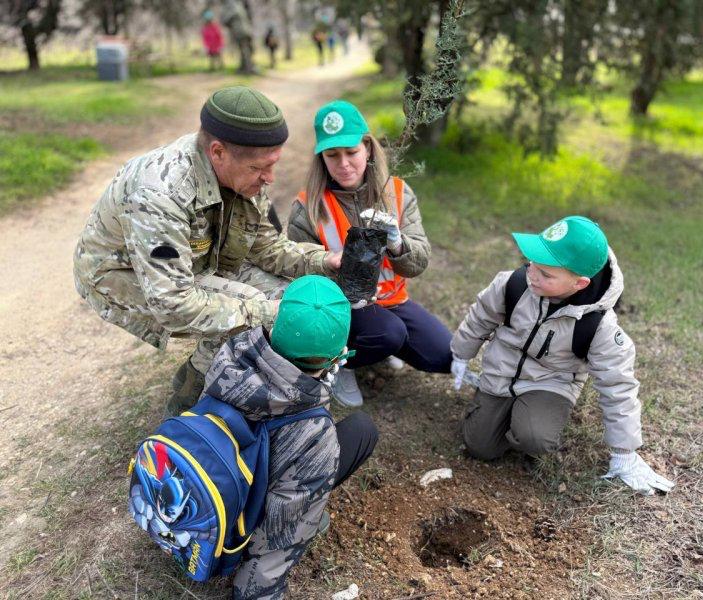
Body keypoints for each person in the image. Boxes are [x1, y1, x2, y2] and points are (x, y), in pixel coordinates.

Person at [74, 86, 341, 413]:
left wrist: (324, 260)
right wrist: (265, 313)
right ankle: (186, 413)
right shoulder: (160, 194)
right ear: (218, 152)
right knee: (251, 309)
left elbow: (266, 247)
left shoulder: (241, 171)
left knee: (288, 296)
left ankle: (221, 381)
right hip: (121, 274)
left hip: (198, 263)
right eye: (259, 168)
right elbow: (172, 302)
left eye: (273, 165)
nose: (269, 178)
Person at [450, 216, 675, 496]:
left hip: (551, 381)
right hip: (501, 371)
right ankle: (500, 414)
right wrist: (461, 353)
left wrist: (624, 452)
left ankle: (532, 417)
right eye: (532, 263)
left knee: (534, 438)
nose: (532, 274)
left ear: (579, 283)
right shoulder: (513, 284)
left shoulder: (599, 326)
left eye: (546, 274)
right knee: (479, 446)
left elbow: (618, 386)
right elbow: (480, 317)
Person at [204, 275, 378, 599]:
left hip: (217, 470)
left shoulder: (234, 350)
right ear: (337, 355)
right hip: (241, 513)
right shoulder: (315, 435)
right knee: (362, 430)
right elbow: (281, 529)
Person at [286, 100, 452, 407]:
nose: (344, 163)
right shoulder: (307, 208)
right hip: (339, 312)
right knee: (388, 333)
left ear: (368, 149)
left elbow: (419, 263)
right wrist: (334, 271)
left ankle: (383, 345)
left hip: (393, 301)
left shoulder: (399, 193)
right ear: (321, 158)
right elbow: (295, 276)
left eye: (352, 152)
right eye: (332, 155)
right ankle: (338, 363)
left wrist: (398, 243)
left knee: (443, 354)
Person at [221, 0, 257, 75]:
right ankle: (245, 67)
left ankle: (248, 69)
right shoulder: (239, 7)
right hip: (245, 30)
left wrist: (226, 20)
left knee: (245, 51)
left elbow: (226, 20)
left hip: (241, 31)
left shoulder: (233, 8)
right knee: (245, 50)